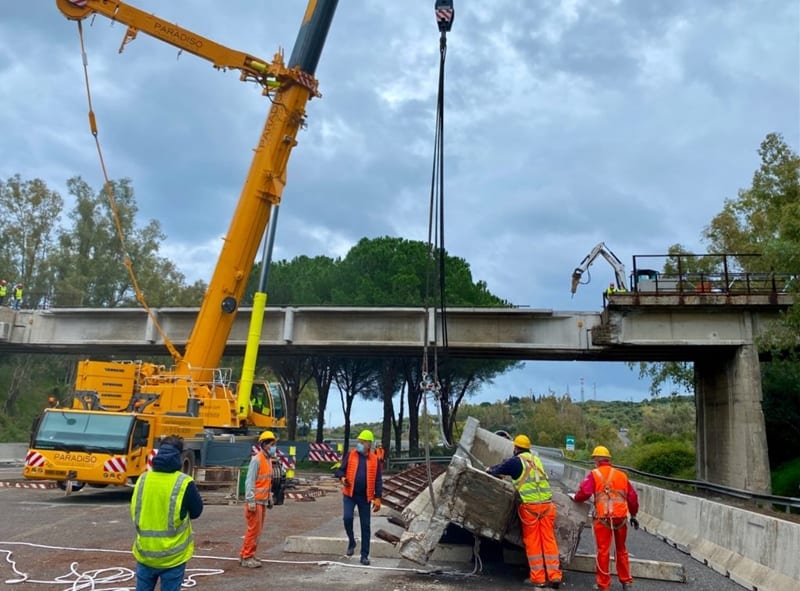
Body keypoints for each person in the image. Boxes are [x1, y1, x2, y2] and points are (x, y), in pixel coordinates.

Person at [487, 434, 562, 588]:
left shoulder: (516, 461)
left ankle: (538, 578)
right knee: (548, 540)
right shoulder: (536, 460)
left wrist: (489, 469)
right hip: (547, 506)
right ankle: (554, 575)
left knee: (533, 543)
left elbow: (499, 469)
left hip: (531, 508)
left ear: (516, 448)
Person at [130, 435, 203, 591]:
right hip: (173, 556)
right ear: (179, 455)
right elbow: (196, 512)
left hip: (146, 552)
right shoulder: (184, 482)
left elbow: (135, 510)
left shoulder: (143, 479)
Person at [570, 445, 640, 591]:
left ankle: (604, 584)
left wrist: (575, 499)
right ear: (608, 459)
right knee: (621, 549)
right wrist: (633, 515)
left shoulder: (594, 474)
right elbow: (632, 497)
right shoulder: (621, 475)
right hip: (620, 518)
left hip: (603, 518)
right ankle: (626, 581)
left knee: (603, 550)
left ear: (596, 459)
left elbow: (584, 493)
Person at [334, 429, 382, 565]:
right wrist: (342, 478)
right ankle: (352, 541)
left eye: (362, 442)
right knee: (347, 518)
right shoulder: (351, 455)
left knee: (365, 526)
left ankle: (364, 555)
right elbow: (340, 470)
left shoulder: (374, 460)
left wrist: (378, 497)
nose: (359, 445)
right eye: (358, 442)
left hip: (365, 497)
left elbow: (378, 480)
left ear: (368, 444)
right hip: (350, 494)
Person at [240, 430, 278, 568]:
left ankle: (248, 554)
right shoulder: (257, 460)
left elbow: (266, 482)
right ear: (264, 444)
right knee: (253, 530)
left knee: (257, 530)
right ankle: (247, 557)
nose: (274, 447)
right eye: (271, 444)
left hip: (261, 501)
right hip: (255, 502)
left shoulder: (268, 460)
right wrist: (250, 500)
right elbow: (249, 482)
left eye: (274, 444)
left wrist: (269, 497)